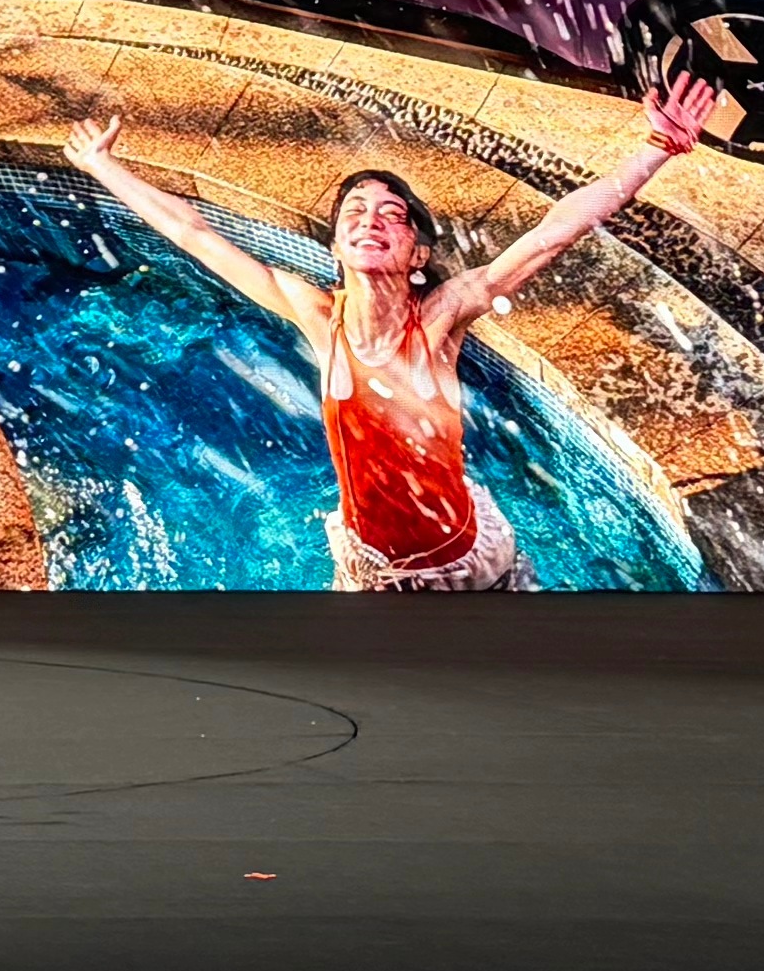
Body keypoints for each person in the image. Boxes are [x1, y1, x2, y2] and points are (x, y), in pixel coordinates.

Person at [56, 79, 705, 590]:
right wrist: (102, 166)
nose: (371, 221)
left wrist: (657, 148)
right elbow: (193, 232)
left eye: (392, 216)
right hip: (369, 569)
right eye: (355, 213)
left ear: (417, 254)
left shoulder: (441, 319)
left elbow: (552, 234)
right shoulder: (317, 315)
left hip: (468, 567)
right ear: (337, 246)